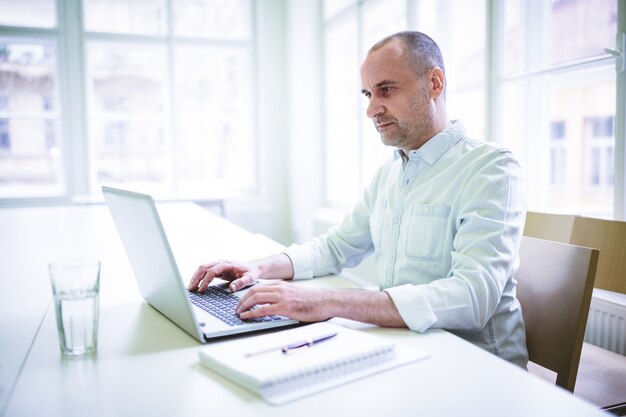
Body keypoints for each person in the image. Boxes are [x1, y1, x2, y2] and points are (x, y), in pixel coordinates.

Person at [188, 31, 528, 368]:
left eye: (386, 90)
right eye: (367, 93)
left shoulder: (490, 168)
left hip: (474, 368)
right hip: (409, 350)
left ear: (435, 83)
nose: (371, 109)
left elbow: (472, 296)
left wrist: (324, 302)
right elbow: (336, 247)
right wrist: (259, 267)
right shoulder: (391, 173)